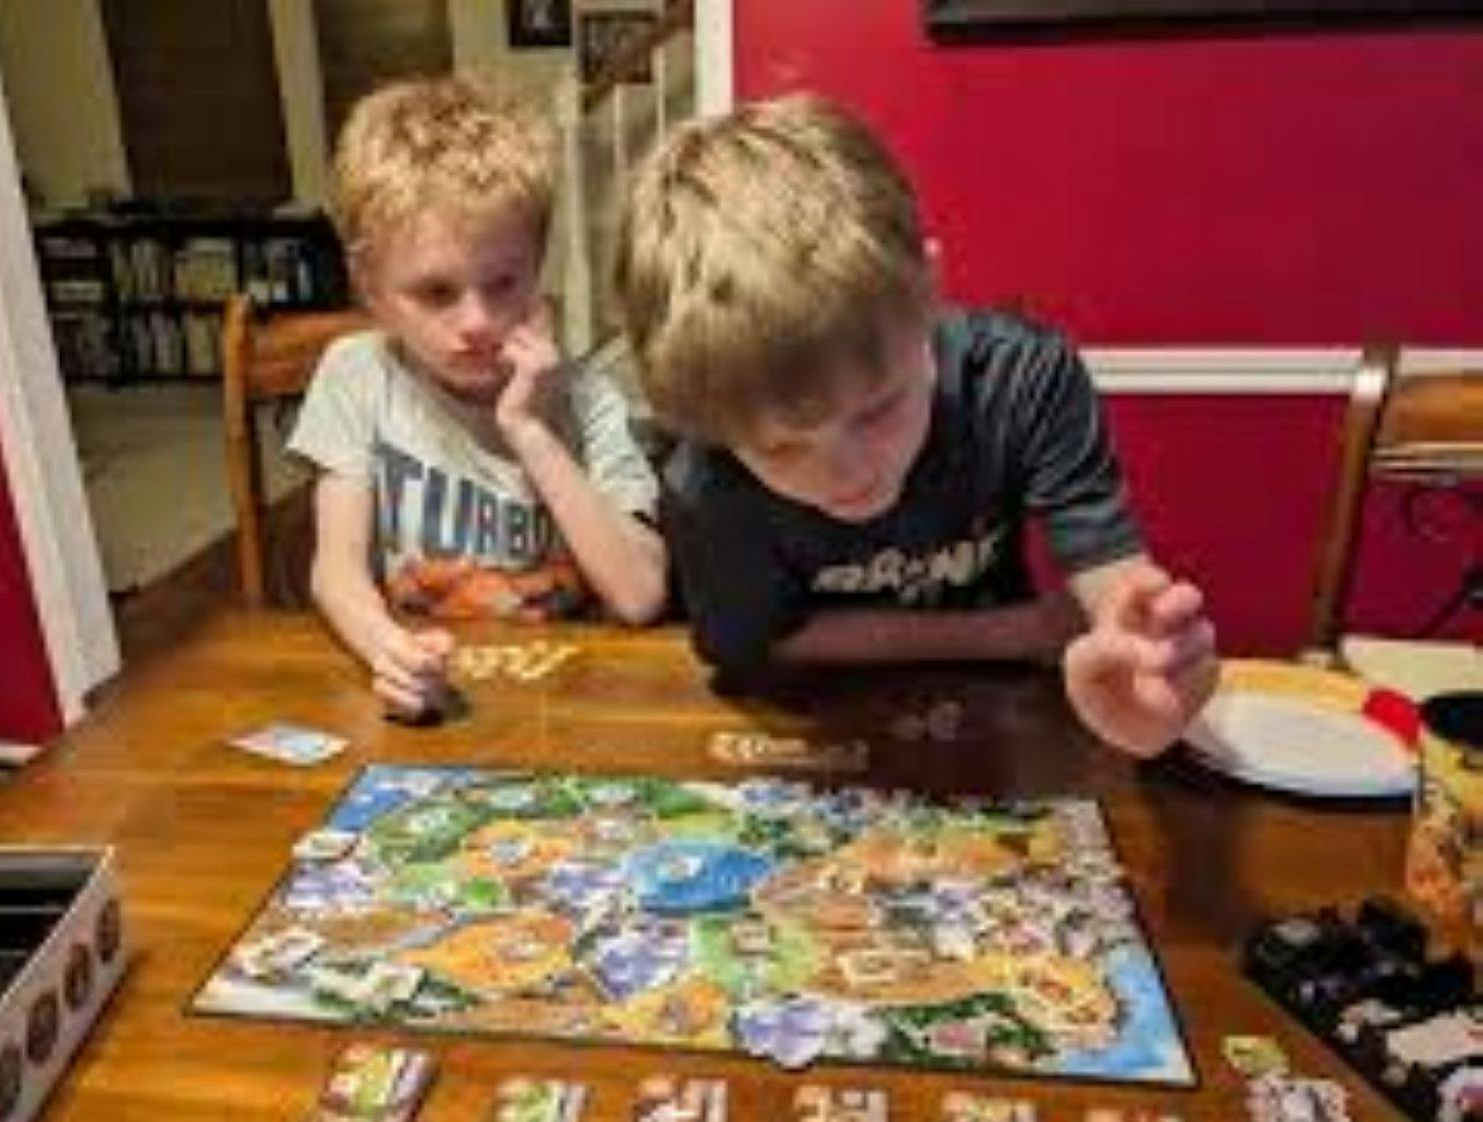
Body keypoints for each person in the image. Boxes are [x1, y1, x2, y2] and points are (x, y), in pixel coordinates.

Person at [613, 93, 1216, 757]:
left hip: (995, 725)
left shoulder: (1022, 377)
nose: (847, 475)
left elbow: (1117, 592)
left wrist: (1149, 660)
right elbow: (757, 642)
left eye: (879, 408)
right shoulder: (702, 473)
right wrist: (1013, 632)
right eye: (780, 448)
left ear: (929, 289)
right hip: (801, 722)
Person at [289, 75, 666, 719]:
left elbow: (639, 595)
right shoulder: (356, 374)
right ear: (370, 286)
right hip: (431, 697)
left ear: (537, 264)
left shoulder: (589, 397)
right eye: (437, 293)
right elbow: (336, 570)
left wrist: (530, 431)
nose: (477, 322)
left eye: (504, 283)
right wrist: (387, 649)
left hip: (574, 707)